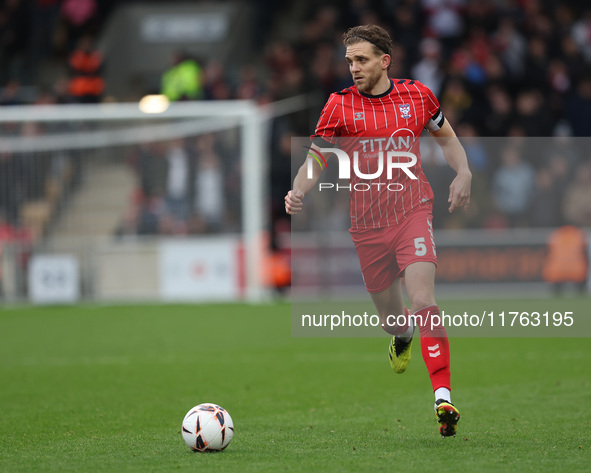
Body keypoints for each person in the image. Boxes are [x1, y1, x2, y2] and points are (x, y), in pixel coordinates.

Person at [284, 25, 471, 437]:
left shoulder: (418, 96)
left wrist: (464, 172)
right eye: (349, 60)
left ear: (384, 61)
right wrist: (298, 190)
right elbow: (317, 158)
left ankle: (443, 396)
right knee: (392, 319)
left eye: (362, 59)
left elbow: (447, 138)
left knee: (424, 298)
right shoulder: (338, 105)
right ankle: (401, 333)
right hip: (367, 226)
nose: (353, 68)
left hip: (412, 212)